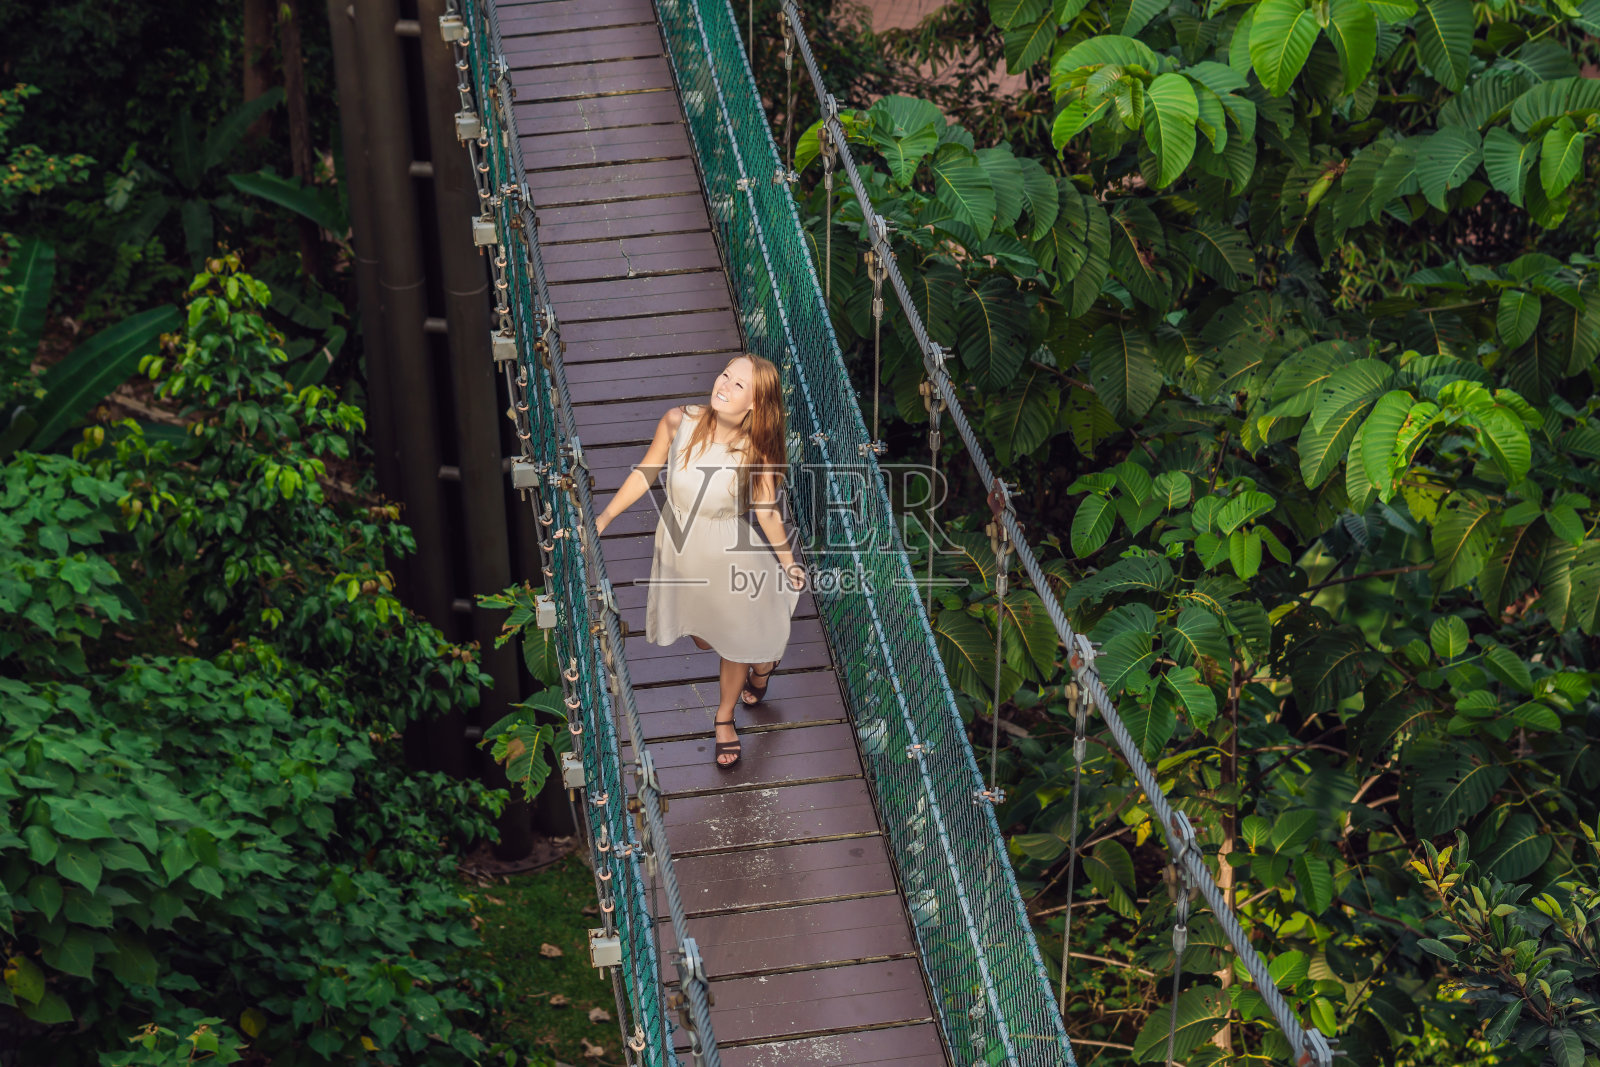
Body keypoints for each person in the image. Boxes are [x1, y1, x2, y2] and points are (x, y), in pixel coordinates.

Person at [593, 353, 805, 768]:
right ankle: (762, 664)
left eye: (738, 384)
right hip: (679, 547)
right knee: (704, 636)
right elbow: (645, 474)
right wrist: (604, 517)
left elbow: (766, 512)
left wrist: (789, 563)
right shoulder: (678, 421)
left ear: (755, 406)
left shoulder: (756, 450)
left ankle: (723, 718)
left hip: (730, 553)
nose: (723, 385)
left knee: (732, 638)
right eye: (725, 375)